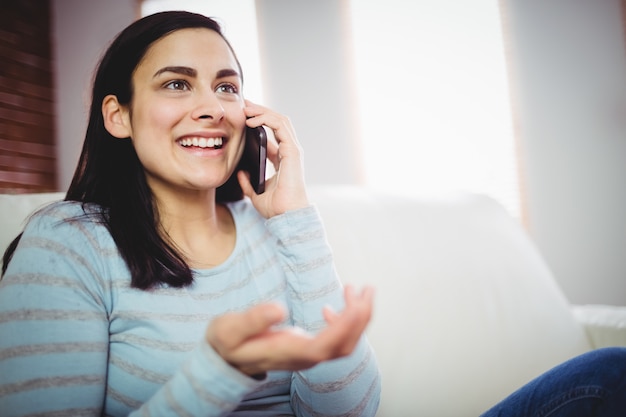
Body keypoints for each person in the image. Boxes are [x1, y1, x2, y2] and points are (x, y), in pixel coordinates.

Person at [0, 11, 381, 416]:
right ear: (118, 115)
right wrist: (220, 373)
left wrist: (296, 218)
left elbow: (347, 411)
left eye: (226, 87)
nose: (212, 107)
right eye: (177, 84)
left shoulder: (278, 229)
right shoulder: (68, 242)